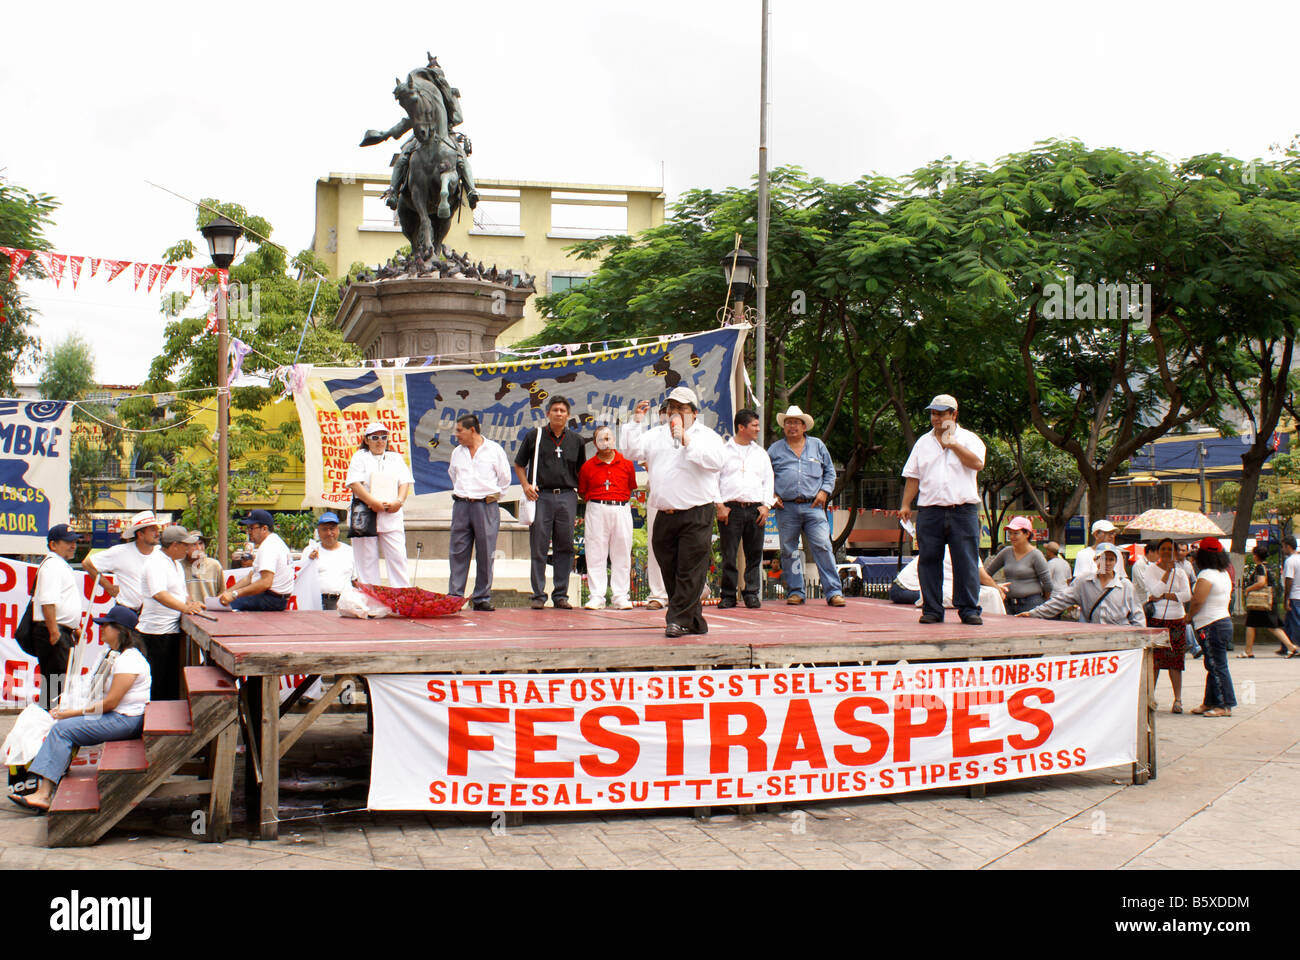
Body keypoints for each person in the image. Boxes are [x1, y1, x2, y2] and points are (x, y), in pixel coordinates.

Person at [8, 606, 151, 814]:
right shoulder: (112, 654)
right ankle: (45, 788)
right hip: (117, 715)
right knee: (59, 725)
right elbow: (90, 689)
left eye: (105, 625)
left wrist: (71, 713)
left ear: (120, 630)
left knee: (63, 729)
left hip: (126, 720)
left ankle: (43, 794)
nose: (101, 629)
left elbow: (110, 703)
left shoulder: (130, 660)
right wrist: (67, 705)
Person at [623, 386, 726, 637]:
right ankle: (694, 620)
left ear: (694, 412)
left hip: (696, 513)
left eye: (681, 409)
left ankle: (677, 620)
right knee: (668, 568)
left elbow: (717, 462)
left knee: (689, 569)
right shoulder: (655, 434)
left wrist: (686, 440)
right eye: (671, 408)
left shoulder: (707, 436)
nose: (675, 413)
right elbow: (630, 451)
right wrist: (636, 422)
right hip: (663, 513)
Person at [898, 394, 986, 625]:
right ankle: (932, 609)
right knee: (928, 560)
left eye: (941, 413)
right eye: (933, 413)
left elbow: (978, 463)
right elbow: (913, 476)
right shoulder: (923, 442)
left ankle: (968, 609)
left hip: (962, 509)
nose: (936, 418)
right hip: (930, 510)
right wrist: (906, 504)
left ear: (954, 415)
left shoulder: (969, 438)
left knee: (966, 561)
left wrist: (953, 444)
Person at [768, 405, 846, 608]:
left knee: (823, 545)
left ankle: (834, 592)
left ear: (804, 426)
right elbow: (764, 476)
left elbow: (830, 472)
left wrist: (824, 492)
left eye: (795, 422)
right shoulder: (775, 449)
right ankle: (795, 592)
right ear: (783, 426)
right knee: (788, 550)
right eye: (788, 422)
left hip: (814, 505)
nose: (791, 426)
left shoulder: (818, 445)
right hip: (786, 507)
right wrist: (771, 495)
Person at [515, 397, 586, 610]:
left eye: (563, 410)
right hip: (541, 496)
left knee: (564, 546)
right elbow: (519, 464)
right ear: (548, 413)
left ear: (568, 415)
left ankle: (560, 595)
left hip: (566, 496)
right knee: (539, 546)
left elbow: (581, 470)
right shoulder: (535, 436)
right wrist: (526, 485)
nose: (559, 413)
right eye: (555, 410)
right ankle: (538, 595)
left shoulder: (576, 440)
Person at [447, 414, 512, 611]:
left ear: (472, 430)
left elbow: (504, 479)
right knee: (458, 550)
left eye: (460, 430)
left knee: (485, 552)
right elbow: (453, 475)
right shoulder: (457, 452)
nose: (456, 434)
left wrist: (492, 496)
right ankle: (455, 596)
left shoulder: (494, 450)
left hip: (486, 505)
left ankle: (482, 597)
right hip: (461, 505)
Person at [716, 408, 774, 609]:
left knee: (754, 554)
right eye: (754, 425)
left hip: (755, 509)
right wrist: (719, 505)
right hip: (730, 509)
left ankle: (751, 593)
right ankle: (728, 595)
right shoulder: (723, 451)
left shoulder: (761, 453)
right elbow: (713, 480)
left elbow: (769, 481)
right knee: (729, 554)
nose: (758, 429)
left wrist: (767, 506)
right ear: (741, 427)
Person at [139, 525, 205, 700]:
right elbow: (159, 593)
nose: (189, 549)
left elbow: (182, 593)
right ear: (175, 545)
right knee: (159, 683)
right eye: (186, 545)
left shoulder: (175, 564)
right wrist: (185, 608)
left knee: (171, 682)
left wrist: (191, 603)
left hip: (171, 629)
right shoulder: (155, 563)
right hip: (157, 632)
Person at [347, 421, 413, 588]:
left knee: (398, 557)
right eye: (375, 437)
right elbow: (354, 483)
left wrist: (399, 501)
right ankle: (372, 603)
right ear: (367, 440)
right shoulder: (359, 456)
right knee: (366, 560)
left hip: (391, 513)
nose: (379, 441)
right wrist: (372, 502)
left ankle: (402, 599)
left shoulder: (395, 458)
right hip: (365, 512)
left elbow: (405, 482)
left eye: (383, 437)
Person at [578, 425, 637, 610]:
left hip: (621, 509)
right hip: (596, 508)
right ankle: (597, 596)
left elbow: (631, 486)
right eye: (602, 439)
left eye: (609, 437)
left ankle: (620, 595)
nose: (606, 441)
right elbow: (582, 491)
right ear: (595, 443)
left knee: (622, 552)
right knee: (596, 552)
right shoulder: (588, 466)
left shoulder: (626, 464)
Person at [1021, 543, 1144, 625]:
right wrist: (1033, 613)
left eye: (1111, 559)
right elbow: (1059, 602)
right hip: (1092, 639)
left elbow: (1138, 617)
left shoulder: (1126, 586)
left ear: (1116, 562)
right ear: (1095, 560)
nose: (1107, 563)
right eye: (1103, 558)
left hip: (1120, 642)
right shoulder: (1083, 582)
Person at [31, 523, 84, 701]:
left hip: (60, 630)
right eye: (68, 542)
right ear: (53, 544)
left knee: (58, 684)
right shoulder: (52, 565)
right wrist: (54, 632)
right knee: (55, 686)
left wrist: (72, 627)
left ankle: (51, 720)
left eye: (74, 541)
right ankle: (49, 722)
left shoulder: (59, 565)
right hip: (53, 631)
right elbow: (48, 602)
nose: (73, 545)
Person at [1187, 537, 1236, 718]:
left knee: (1217, 666)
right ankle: (1209, 702)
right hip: (1222, 622)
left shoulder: (1206, 575)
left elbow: (1198, 600)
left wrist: (1189, 617)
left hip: (1211, 625)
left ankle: (1224, 704)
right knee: (1212, 664)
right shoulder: (1223, 573)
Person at [1142, 537, 1193, 713]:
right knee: (1154, 660)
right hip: (1157, 619)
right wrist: (1166, 576)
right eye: (1162, 549)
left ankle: (1178, 699)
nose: (1166, 553)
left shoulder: (1180, 572)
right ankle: (1150, 697)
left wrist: (1165, 596)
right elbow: (1154, 590)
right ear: (1158, 551)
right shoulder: (1150, 570)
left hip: (1177, 619)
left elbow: (1187, 595)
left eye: (1170, 550)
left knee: (1175, 662)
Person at [82, 510, 162, 613]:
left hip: (155, 616)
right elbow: (87, 564)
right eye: (152, 530)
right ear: (140, 534)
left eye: (157, 529)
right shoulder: (120, 552)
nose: (157, 533)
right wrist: (109, 587)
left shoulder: (162, 553)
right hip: (128, 613)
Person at [218, 510, 294, 611]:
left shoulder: (268, 546)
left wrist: (234, 594)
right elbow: (250, 577)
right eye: (248, 528)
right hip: (275, 599)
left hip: (270, 599)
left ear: (264, 529)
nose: (249, 532)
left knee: (223, 608)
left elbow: (266, 582)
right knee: (224, 602)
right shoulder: (275, 541)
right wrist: (227, 593)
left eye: (252, 528)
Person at [890, 549, 1007, 615]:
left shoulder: (945, 546)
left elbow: (975, 580)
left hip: (899, 588)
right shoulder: (966, 549)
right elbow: (983, 578)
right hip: (907, 589)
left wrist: (995, 587)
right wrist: (998, 590)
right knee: (956, 597)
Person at [984, 516, 1054, 615]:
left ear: (1027, 534)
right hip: (1008, 604)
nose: (1012, 537)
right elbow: (986, 574)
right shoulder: (1006, 552)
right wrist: (996, 587)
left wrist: (1043, 605)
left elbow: (1048, 585)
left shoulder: (1036, 555)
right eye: (1010, 533)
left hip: (1031, 604)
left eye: (1016, 533)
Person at [1241, 543, 1298, 658]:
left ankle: (1249, 651)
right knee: (1267, 626)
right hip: (1269, 600)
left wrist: (1248, 589)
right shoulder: (1269, 567)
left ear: (1256, 556)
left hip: (1261, 601)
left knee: (1256, 625)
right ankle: (1291, 647)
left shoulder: (1260, 567)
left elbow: (1261, 582)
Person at [641, 402, 672, 611]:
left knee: (687, 547)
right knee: (656, 545)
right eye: (666, 412)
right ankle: (658, 594)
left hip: (686, 498)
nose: (670, 416)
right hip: (658, 496)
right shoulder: (652, 436)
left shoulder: (691, 435)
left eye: (675, 412)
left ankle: (694, 589)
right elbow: (638, 455)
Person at [303, 512, 355, 611]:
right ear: (318, 532)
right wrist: (308, 561)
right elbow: (300, 576)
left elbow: (356, 580)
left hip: (344, 602)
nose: (329, 533)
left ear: (338, 530)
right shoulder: (310, 550)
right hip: (316, 603)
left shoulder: (349, 551)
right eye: (324, 529)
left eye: (332, 528)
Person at [185, 533, 225, 602]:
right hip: (187, 610)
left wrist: (214, 604)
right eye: (194, 544)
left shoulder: (214, 565)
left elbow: (222, 591)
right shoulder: (179, 566)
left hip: (210, 610)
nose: (198, 548)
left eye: (201, 543)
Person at [1283, 536, 1300, 652]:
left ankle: (1297, 646)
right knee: (1288, 623)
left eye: (1283, 546)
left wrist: (1286, 598)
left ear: (1288, 546)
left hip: (1294, 595)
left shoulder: (1290, 561)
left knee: (1296, 623)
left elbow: (1289, 580)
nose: (1283, 549)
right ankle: (1285, 646)